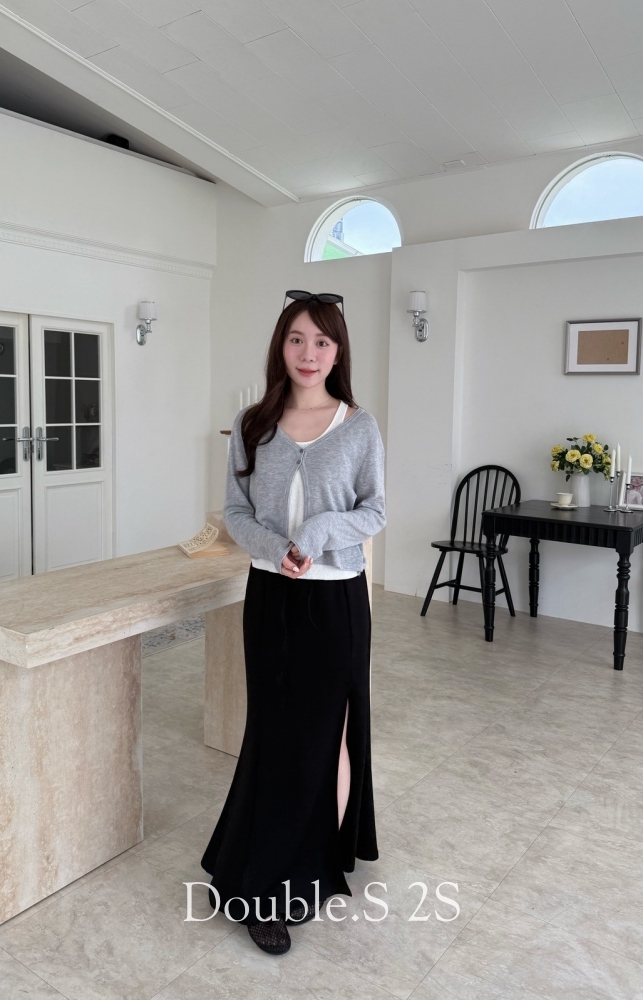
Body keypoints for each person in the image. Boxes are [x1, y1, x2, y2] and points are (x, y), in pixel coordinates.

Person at [200, 290, 387, 955]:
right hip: (271, 601)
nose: (309, 353)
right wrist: (276, 547)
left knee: (328, 737)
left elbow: (374, 511)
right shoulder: (252, 424)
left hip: (336, 604)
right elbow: (234, 512)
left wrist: (320, 530)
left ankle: (311, 866)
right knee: (276, 737)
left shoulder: (359, 427)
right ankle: (255, 876)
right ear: (280, 346)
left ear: (338, 352)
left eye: (322, 342)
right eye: (297, 339)